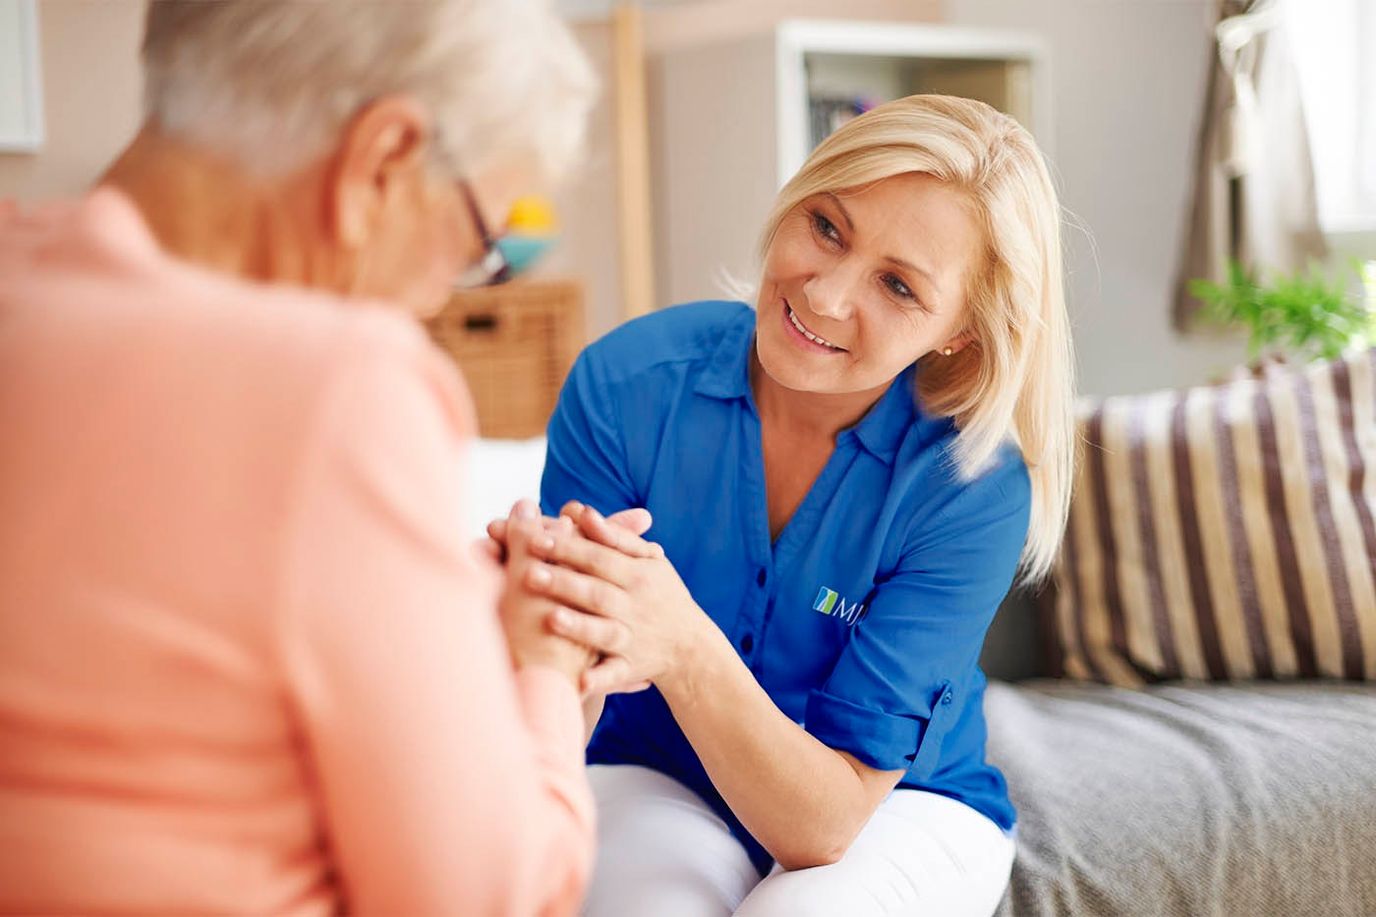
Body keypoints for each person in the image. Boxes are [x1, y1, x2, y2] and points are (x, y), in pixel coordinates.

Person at [0, 1, 604, 913]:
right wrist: (543, 665)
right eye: (476, 244)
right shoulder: (342, 387)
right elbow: (488, 895)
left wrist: (426, 611)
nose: (440, 297)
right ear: (383, 158)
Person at [506, 94, 1077, 915]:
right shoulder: (625, 384)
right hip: (659, 771)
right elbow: (564, 697)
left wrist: (681, 641)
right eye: (827, 227)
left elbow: (825, 825)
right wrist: (533, 626)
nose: (826, 295)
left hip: (897, 805)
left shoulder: (970, 487)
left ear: (962, 331)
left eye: (898, 285)